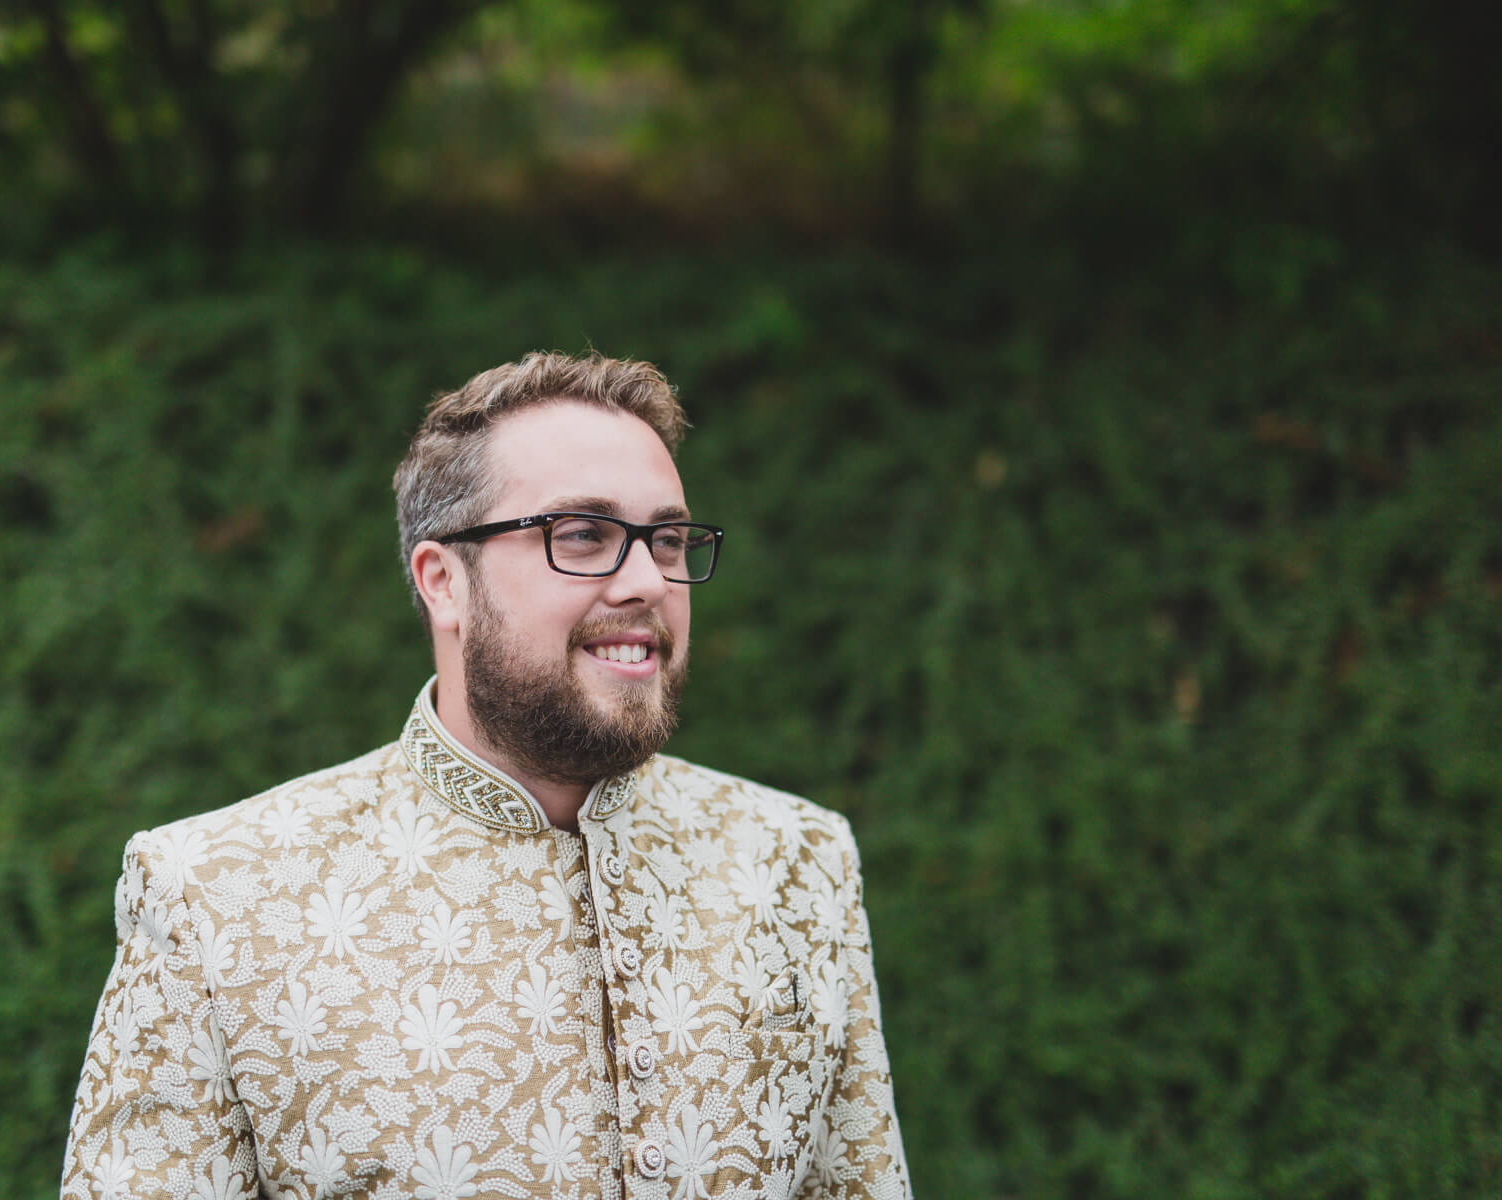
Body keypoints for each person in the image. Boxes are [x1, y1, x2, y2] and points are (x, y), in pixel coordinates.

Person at [60, 353, 911, 1199]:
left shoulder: (802, 861)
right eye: (584, 534)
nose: (651, 579)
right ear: (443, 583)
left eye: (670, 538)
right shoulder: (214, 897)